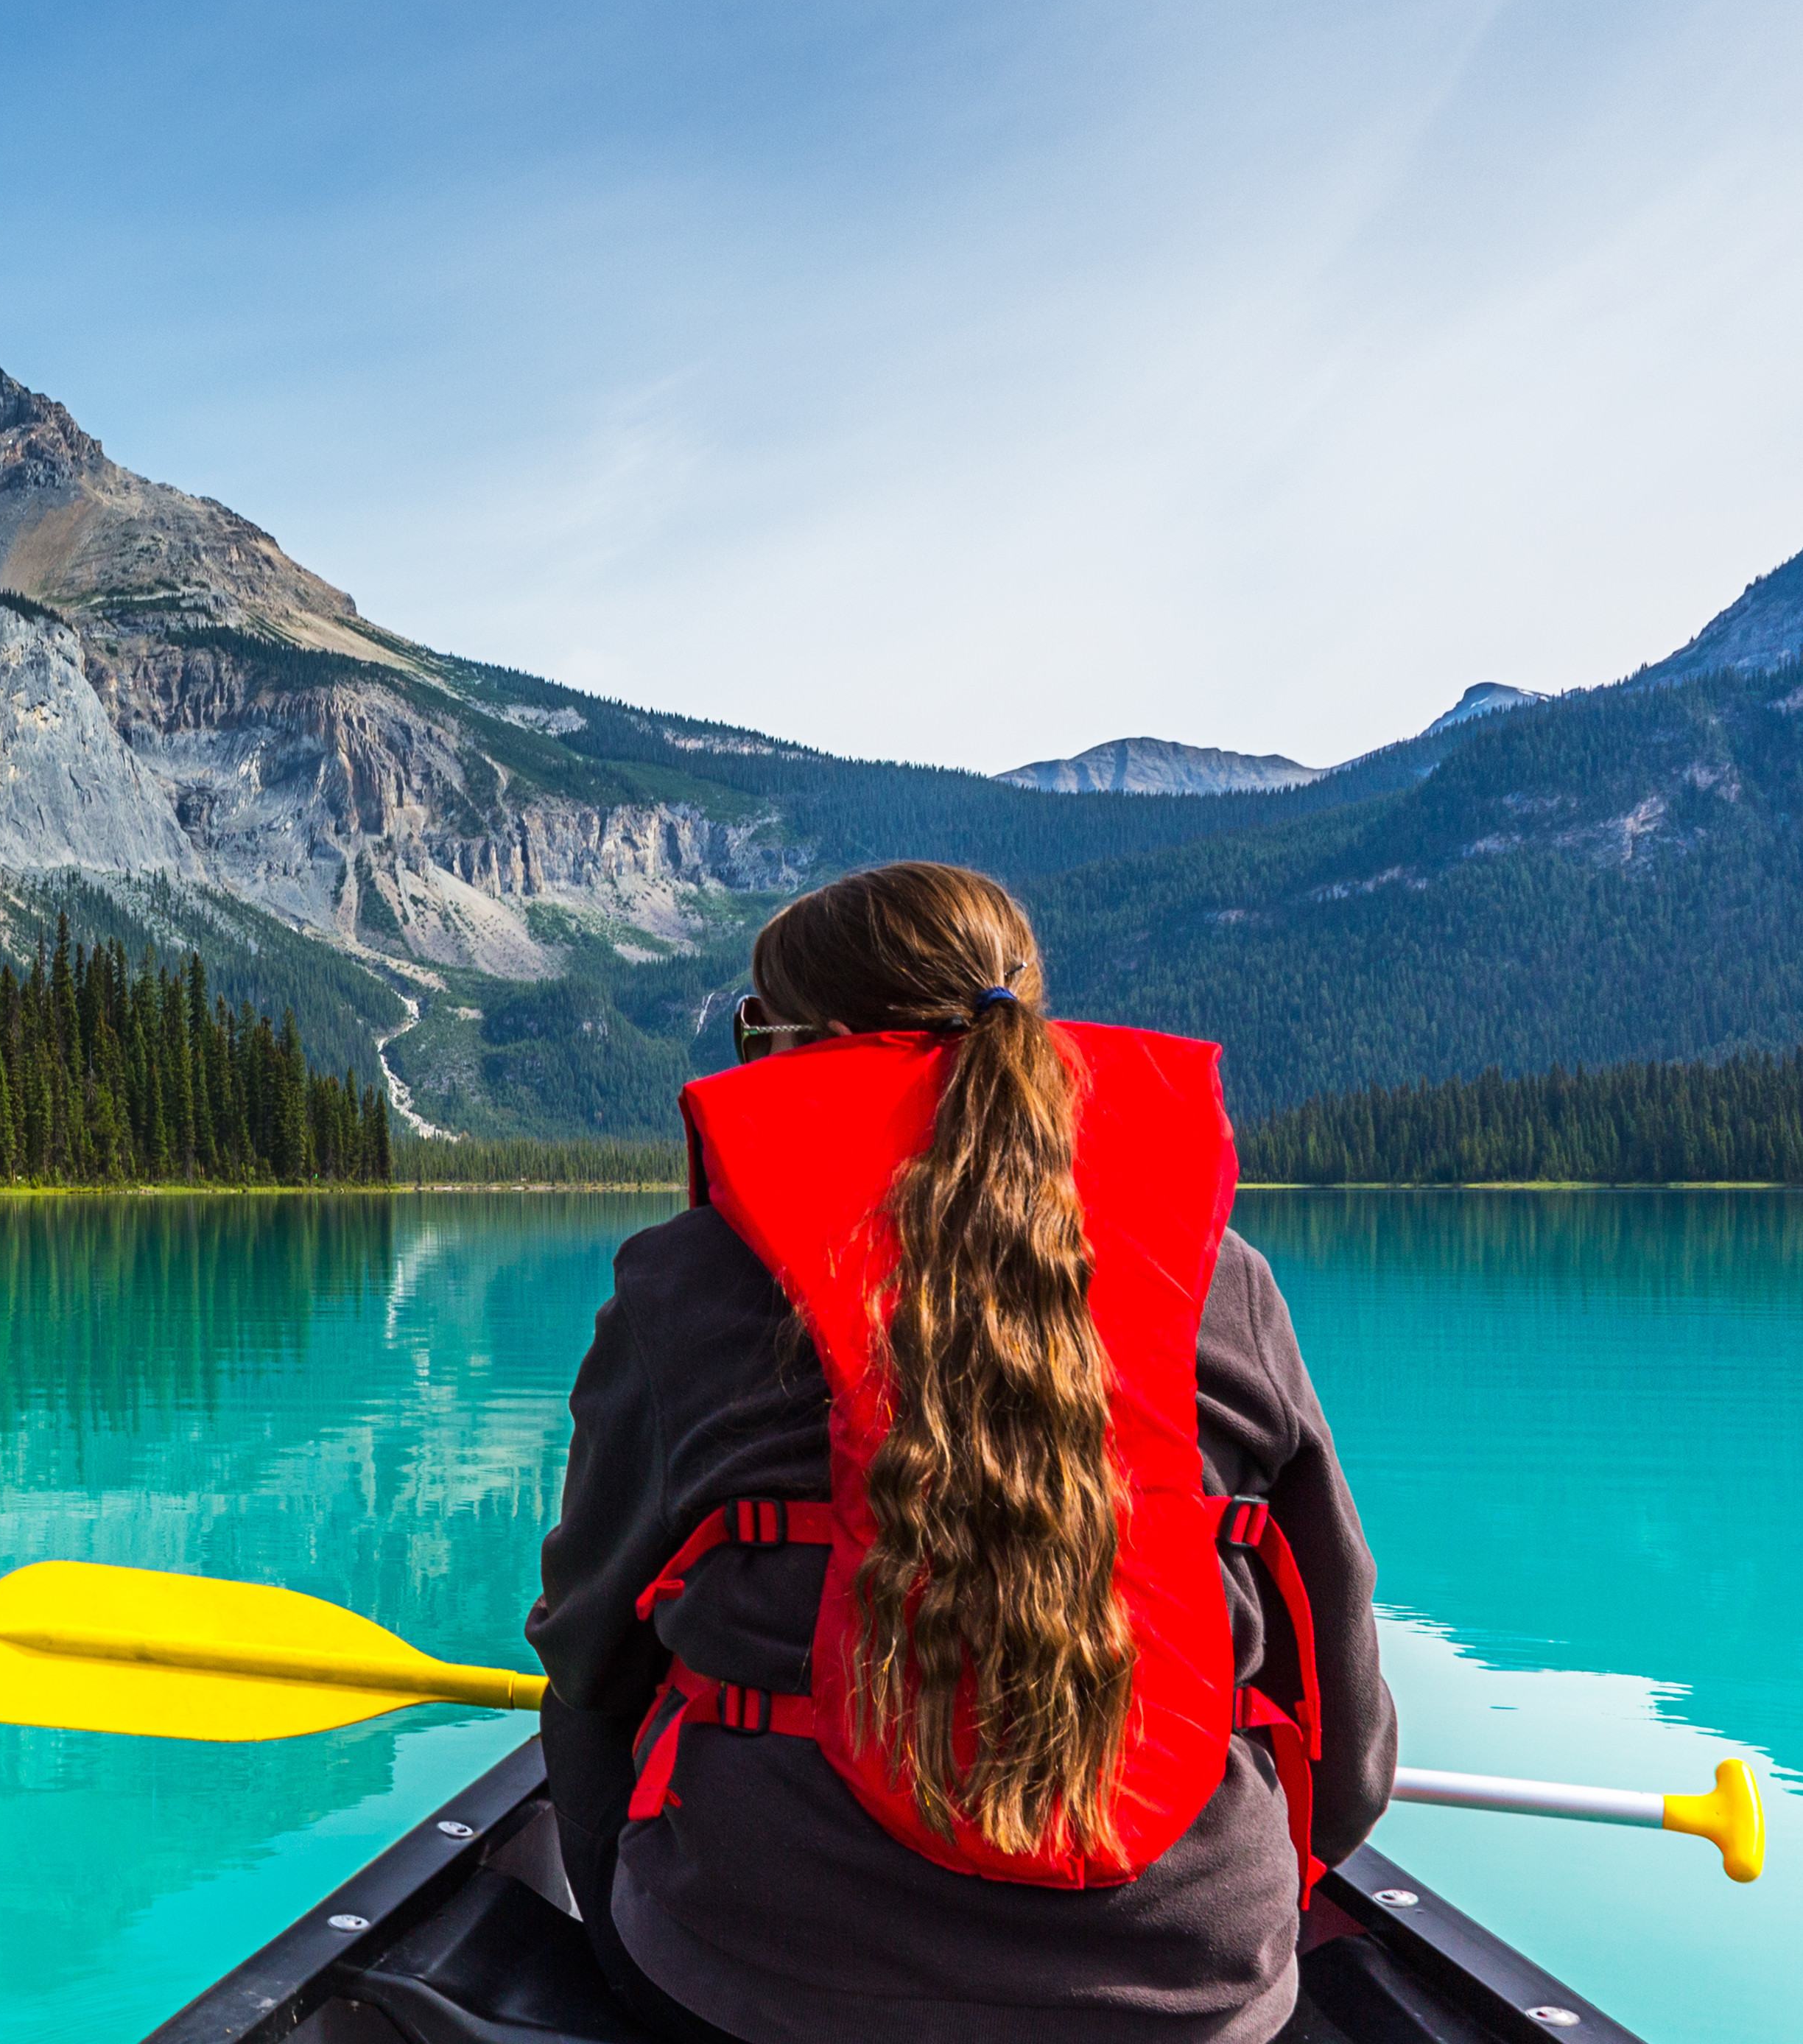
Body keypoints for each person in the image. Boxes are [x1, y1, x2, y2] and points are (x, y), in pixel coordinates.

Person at [529, 862, 1394, 2044]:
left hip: (762, 1984)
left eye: (753, 1033)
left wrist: (614, 1912)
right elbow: (1340, 1716)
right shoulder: (1221, 1281)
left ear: (816, 1047)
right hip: (1195, 1990)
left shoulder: (682, 1288)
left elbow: (588, 1660)